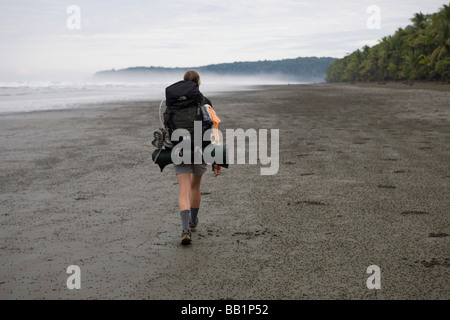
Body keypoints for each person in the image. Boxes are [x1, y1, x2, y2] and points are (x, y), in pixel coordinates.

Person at [166, 70, 223, 245]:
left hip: (180, 150)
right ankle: (193, 222)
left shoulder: (173, 103)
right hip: (200, 149)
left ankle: (184, 229)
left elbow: (167, 127)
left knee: (183, 190)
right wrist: (216, 158)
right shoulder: (205, 102)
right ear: (198, 82)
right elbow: (213, 130)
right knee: (195, 186)